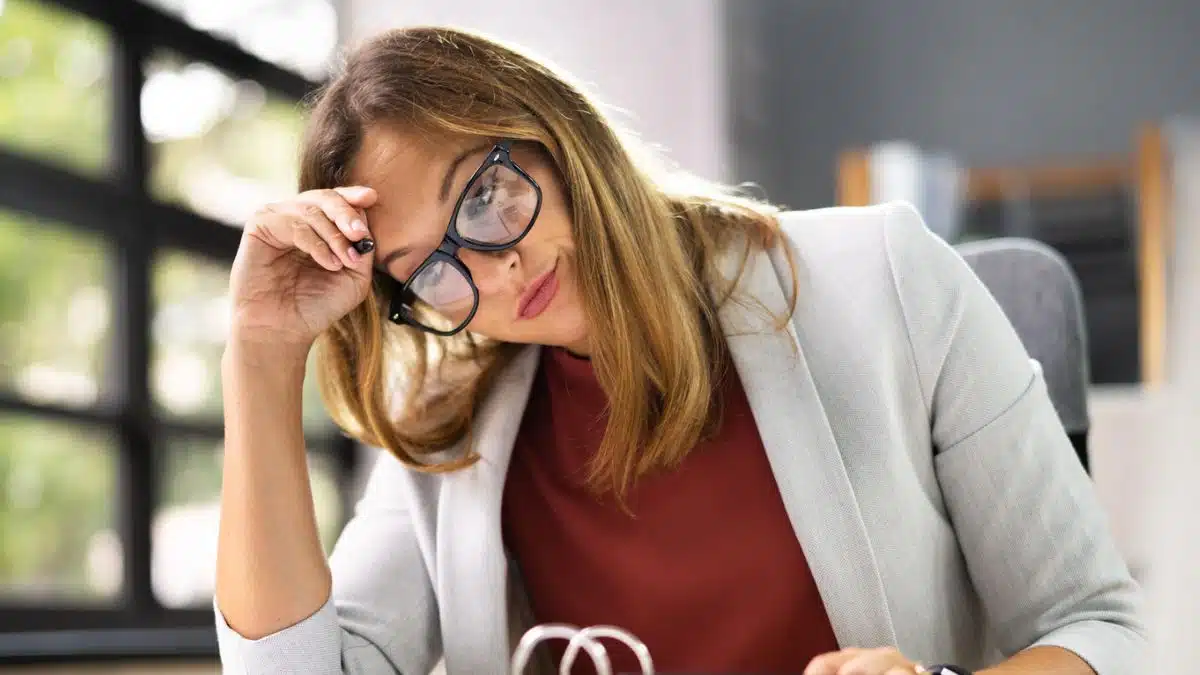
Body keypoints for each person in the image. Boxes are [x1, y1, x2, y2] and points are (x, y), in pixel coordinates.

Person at [213, 26, 1145, 675]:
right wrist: (259, 358)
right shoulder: (449, 433)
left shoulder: (885, 282)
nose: (493, 273)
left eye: (486, 196)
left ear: (554, 131)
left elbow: (1105, 629)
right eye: (433, 269)